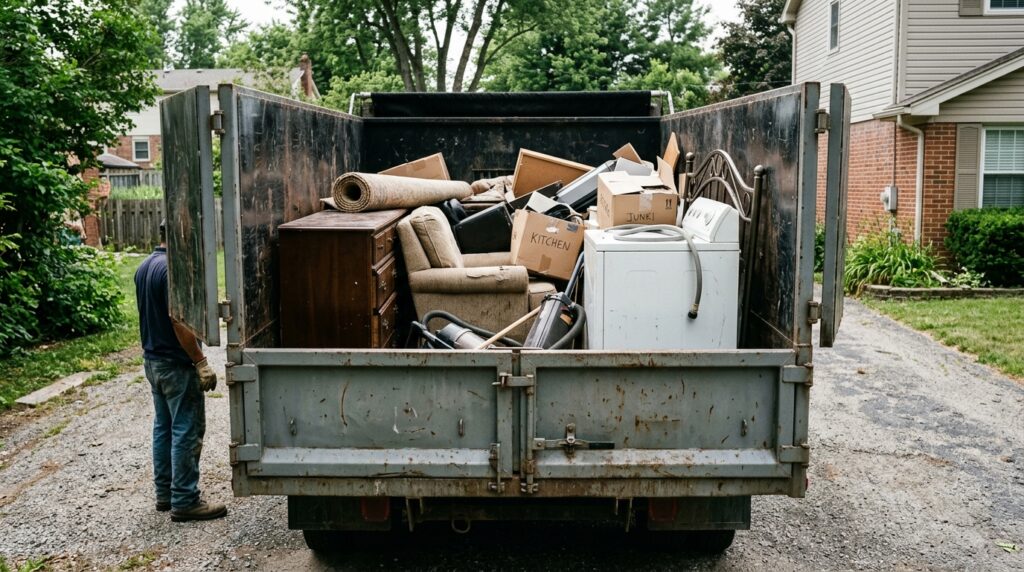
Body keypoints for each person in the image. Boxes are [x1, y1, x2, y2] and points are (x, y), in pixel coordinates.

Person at [135, 220, 226, 522]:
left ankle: (165, 494)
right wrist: (200, 361)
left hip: (153, 362)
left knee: (164, 427)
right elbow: (179, 322)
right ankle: (185, 499)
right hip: (176, 364)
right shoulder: (173, 273)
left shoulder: (145, 266)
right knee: (186, 429)